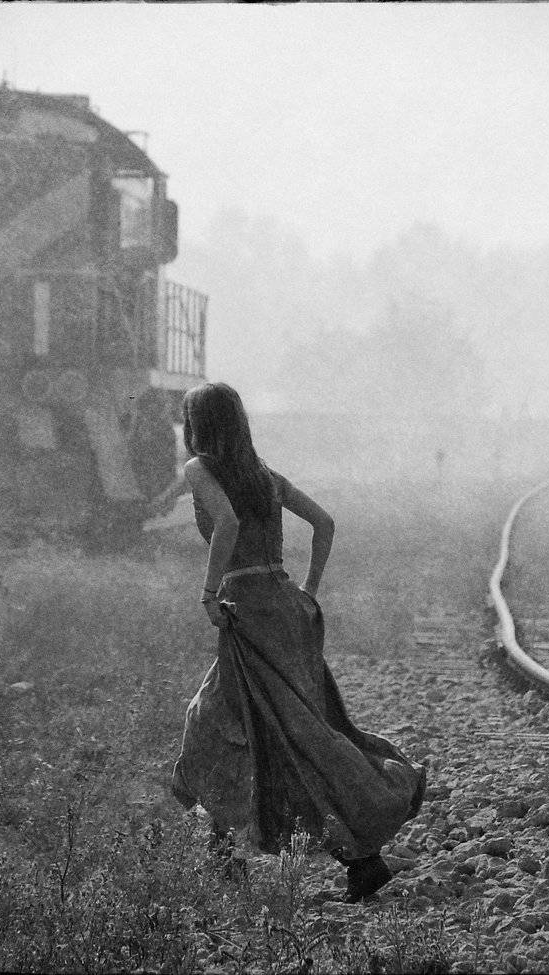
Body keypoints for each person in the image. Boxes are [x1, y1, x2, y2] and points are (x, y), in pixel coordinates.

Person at [169, 382, 425, 903]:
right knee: (260, 723)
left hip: (246, 611)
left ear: (198, 424)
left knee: (271, 731)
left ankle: (355, 858)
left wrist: (209, 593)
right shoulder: (265, 477)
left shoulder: (200, 470)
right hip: (286, 609)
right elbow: (324, 524)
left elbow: (226, 523)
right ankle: (228, 851)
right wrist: (307, 590)